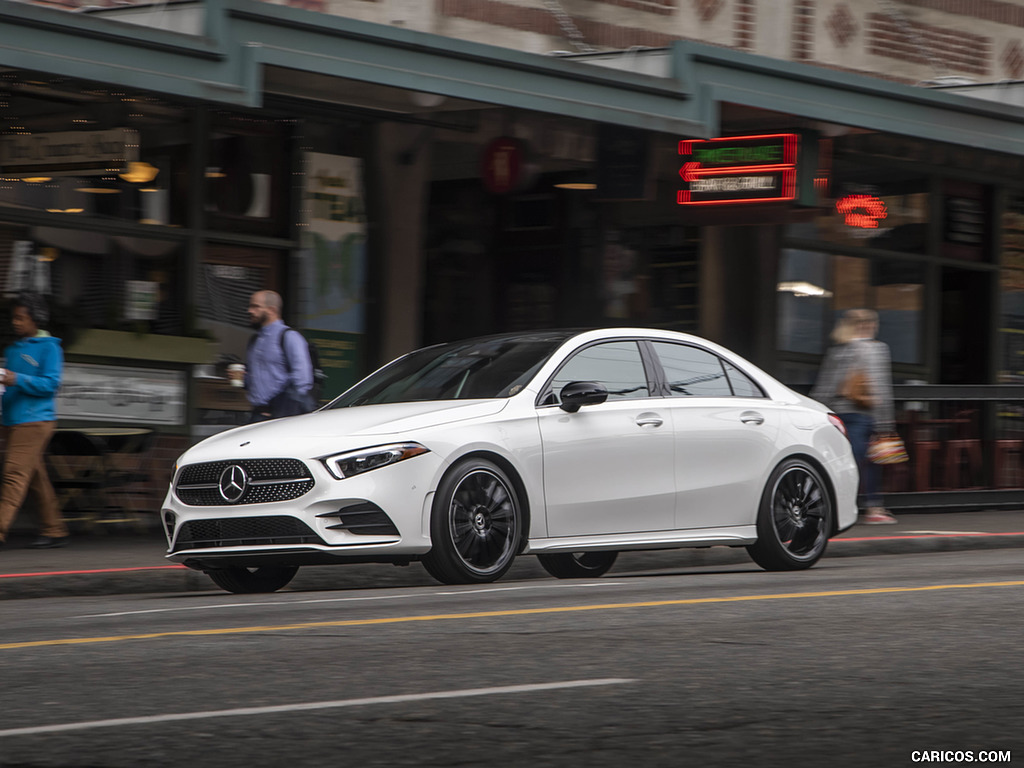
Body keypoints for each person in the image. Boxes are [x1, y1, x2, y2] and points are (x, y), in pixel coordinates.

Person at [811, 308, 897, 525]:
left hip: (837, 414)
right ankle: (873, 508)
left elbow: (825, 385)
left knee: (839, 459)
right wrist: (886, 423)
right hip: (864, 414)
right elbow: (882, 387)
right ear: (869, 325)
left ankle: (825, 502)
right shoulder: (876, 350)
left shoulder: (837, 350)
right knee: (870, 461)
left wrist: (817, 411)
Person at [0, 293, 68, 549]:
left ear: (35, 319)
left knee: (13, 475)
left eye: (21, 318)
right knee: (36, 477)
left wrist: (16, 379)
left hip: (35, 421)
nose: (16, 322)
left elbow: (51, 384)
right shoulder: (13, 350)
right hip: (13, 421)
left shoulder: (49, 347)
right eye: (14, 318)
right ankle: (55, 529)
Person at [229, 290, 314, 422]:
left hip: (281, 417)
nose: (249, 311)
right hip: (257, 414)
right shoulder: (255, 340)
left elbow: (302, 379)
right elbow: (255, 380)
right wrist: (243, 379)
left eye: (255, 307)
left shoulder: (289, 337)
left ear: (271, 310)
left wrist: (283, 411)